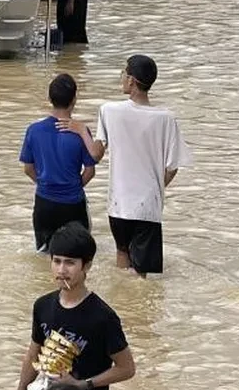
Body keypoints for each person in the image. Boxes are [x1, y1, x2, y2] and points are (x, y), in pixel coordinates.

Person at [3, 223, 136, 390]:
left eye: (70, 263)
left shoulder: (102, 317)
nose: (62, 269)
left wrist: (82, 384)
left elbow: (126, 368)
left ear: (86, 266)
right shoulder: (43, 306)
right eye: (57, 261)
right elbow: (32, 358)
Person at [66, 55, 194, 277]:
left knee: (122, 257)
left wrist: (80, 130)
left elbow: (96, 154)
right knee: (143, 277)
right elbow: (173, 166)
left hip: (119, 202)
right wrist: (157, 186)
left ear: (132, 81)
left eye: (124, 74)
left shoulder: (109, 110)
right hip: (148, 206)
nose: (122, 78)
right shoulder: (166, 119)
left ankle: (122, 306)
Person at [21, 74, 99, 252]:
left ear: (49, 99)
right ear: (74, 100)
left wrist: (44, 183)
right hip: (73, 204)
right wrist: (74, 186)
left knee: (45, 256)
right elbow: (90, 171)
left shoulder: (34, 131)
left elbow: (28, 168)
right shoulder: (80, 132)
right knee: (77, 256)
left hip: (44, 204)